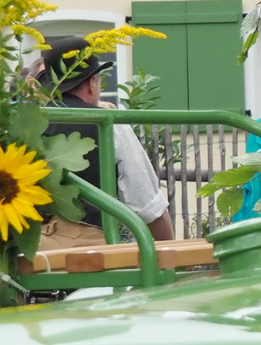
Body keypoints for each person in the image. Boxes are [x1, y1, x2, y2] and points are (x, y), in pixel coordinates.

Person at [41, 37, 175, 246]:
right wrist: (169, 253)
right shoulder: (107, 123)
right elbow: (148, 205)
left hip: (29, 250)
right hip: (89, 250)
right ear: (93, 83)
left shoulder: (25, 123)